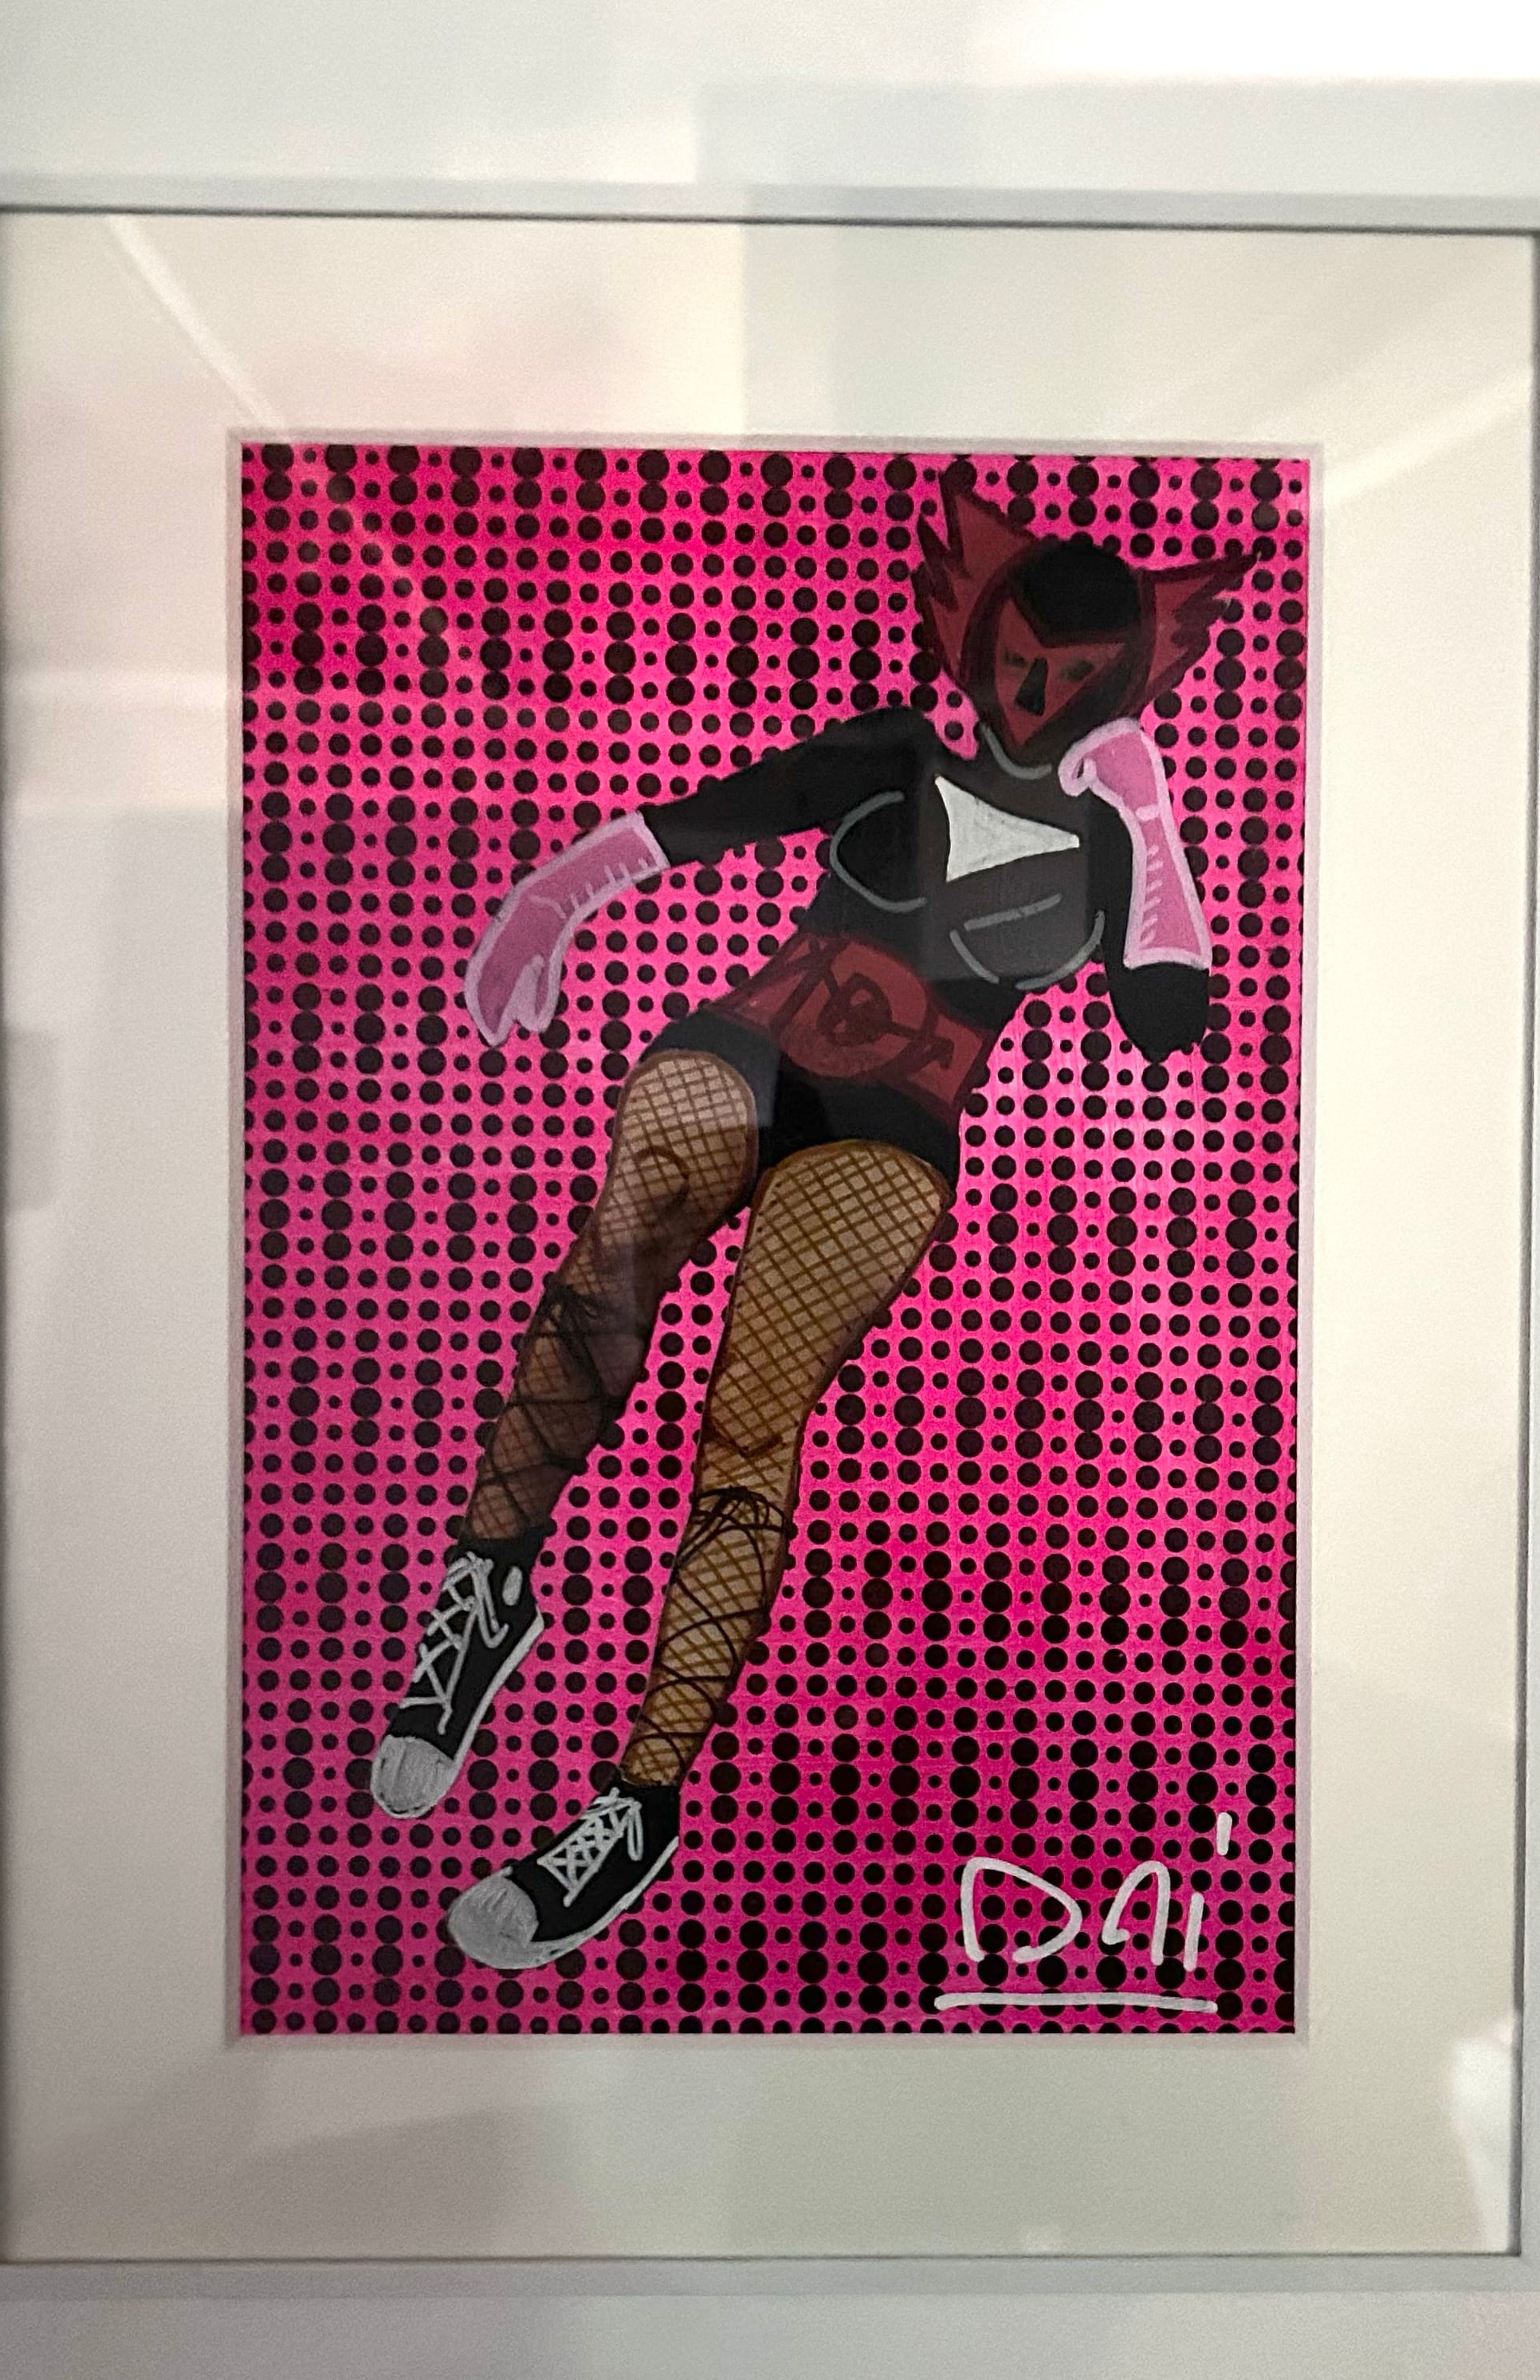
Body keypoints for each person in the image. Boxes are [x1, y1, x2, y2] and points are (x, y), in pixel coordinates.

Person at [369, 460, 1247, 1971]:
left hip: (897, 1125)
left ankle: (634, 1804)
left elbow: (1171, 1019)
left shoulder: (1116, 841)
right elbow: (704, 819)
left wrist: (1151, 813)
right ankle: (488, 1589)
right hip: (754, 1042)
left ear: (1120, 687)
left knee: (751, 1420)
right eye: (1018, 659)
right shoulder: (896, 749)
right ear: (980, 635)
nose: (1031, 697)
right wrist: (552, 896)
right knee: (612, 1259)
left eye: (1070, 680)